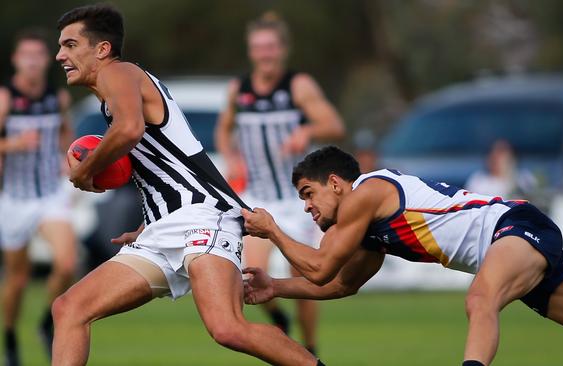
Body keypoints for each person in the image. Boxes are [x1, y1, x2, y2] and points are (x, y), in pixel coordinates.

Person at [52, 5, 323, 366]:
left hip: (203, 217)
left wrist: (84, 172)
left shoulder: (119, 72)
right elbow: (164, 164)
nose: (61, 55)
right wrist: (150, 221)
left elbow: (129, 130)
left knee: (227, 328)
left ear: (101, 49)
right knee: (69, 308)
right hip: (164, 228)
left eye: (70, 45)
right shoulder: (114, 95)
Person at [242, 146, 563, 366]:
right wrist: (275, 286)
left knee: (479, 299)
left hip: (512, 226)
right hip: (515, 245)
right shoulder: (367, 226)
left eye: (309, 195)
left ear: (335, 183)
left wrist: (272, 230)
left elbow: (320, 265)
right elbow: (340, 283)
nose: (307, 208)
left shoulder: (365, 193)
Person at [215, 12, 344, 353]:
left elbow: (334, 125)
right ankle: (278, 318)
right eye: (259, 47)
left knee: (305, 279)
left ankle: (311, 346)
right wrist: (231, 155)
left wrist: (308, 130)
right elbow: (223, 130)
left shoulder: (298, 86)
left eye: (271, 47)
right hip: (258, 195)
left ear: (282, 49)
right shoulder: (238, 90)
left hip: (298, 200)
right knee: (248, 271)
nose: (265, 54)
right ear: (251, 51)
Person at [0, 29, 77, 366]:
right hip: (15, 199)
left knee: (67, 263)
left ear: (47, 60)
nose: (32, 61)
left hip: (50, 195)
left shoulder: (56, 97)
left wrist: (69, 156)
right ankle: (10, 337)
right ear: (16, 60)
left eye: (38, 55)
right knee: (18, 279)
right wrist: (12, 145)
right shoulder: (5, 98)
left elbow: (65, 134)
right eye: (26, 55)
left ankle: (47, 324)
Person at [465, 139, 536, 198]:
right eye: (492, 151)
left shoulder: (525, 178)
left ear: (513, 157)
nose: (494, 156)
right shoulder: (478, 180)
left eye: (501, 152)